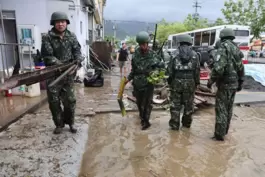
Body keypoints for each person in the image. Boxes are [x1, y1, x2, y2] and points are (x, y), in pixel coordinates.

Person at [41, 11, 83, 134]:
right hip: (53, 75)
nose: (60, 24)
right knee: (54, 102)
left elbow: (77, 52)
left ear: (66, 23)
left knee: (70, 101)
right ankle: (59, 124)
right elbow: (47, 56)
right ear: (54, 24)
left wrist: (78, 61)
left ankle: (71, 123)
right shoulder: (47, 37)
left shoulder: (72, 36)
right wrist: (60, 65)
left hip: (68, 75)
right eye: (58, 22)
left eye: (63, 22)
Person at [207, 28, 245, 141]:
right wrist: (240, 82)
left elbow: (218, 69)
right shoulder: (236, 48)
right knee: (229, 108)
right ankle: (225, 131)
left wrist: (210, 82)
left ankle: (219, 135)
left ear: (222, 36)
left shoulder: (223, 47)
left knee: (221, 109)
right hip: (234, 84)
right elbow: (241, 67)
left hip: (224, 84)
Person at [125, 31, 164, 130]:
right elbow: (133, 71)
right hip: (137, 83)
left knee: (147, 104)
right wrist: (127, 79)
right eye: (141, 44)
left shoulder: (153, 54)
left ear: (147, 43)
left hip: (148, 82)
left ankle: (146, 121)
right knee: (139, 103)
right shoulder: (135, 55)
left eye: (145, 44)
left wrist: (157, 73)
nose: (143, 46)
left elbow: (161, 66)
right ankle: (142, 117)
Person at [166, 34, 200, 130]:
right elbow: (197, 71)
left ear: (179, 42)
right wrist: (196, 83)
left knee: (175, 105)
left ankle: (174, 125)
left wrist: (170, 82)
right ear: (190, 42)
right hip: (190, 83)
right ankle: (186, 125)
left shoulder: (174, 54)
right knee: (189, 106)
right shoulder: (195, 55)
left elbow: (169, 71)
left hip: (176, 83)